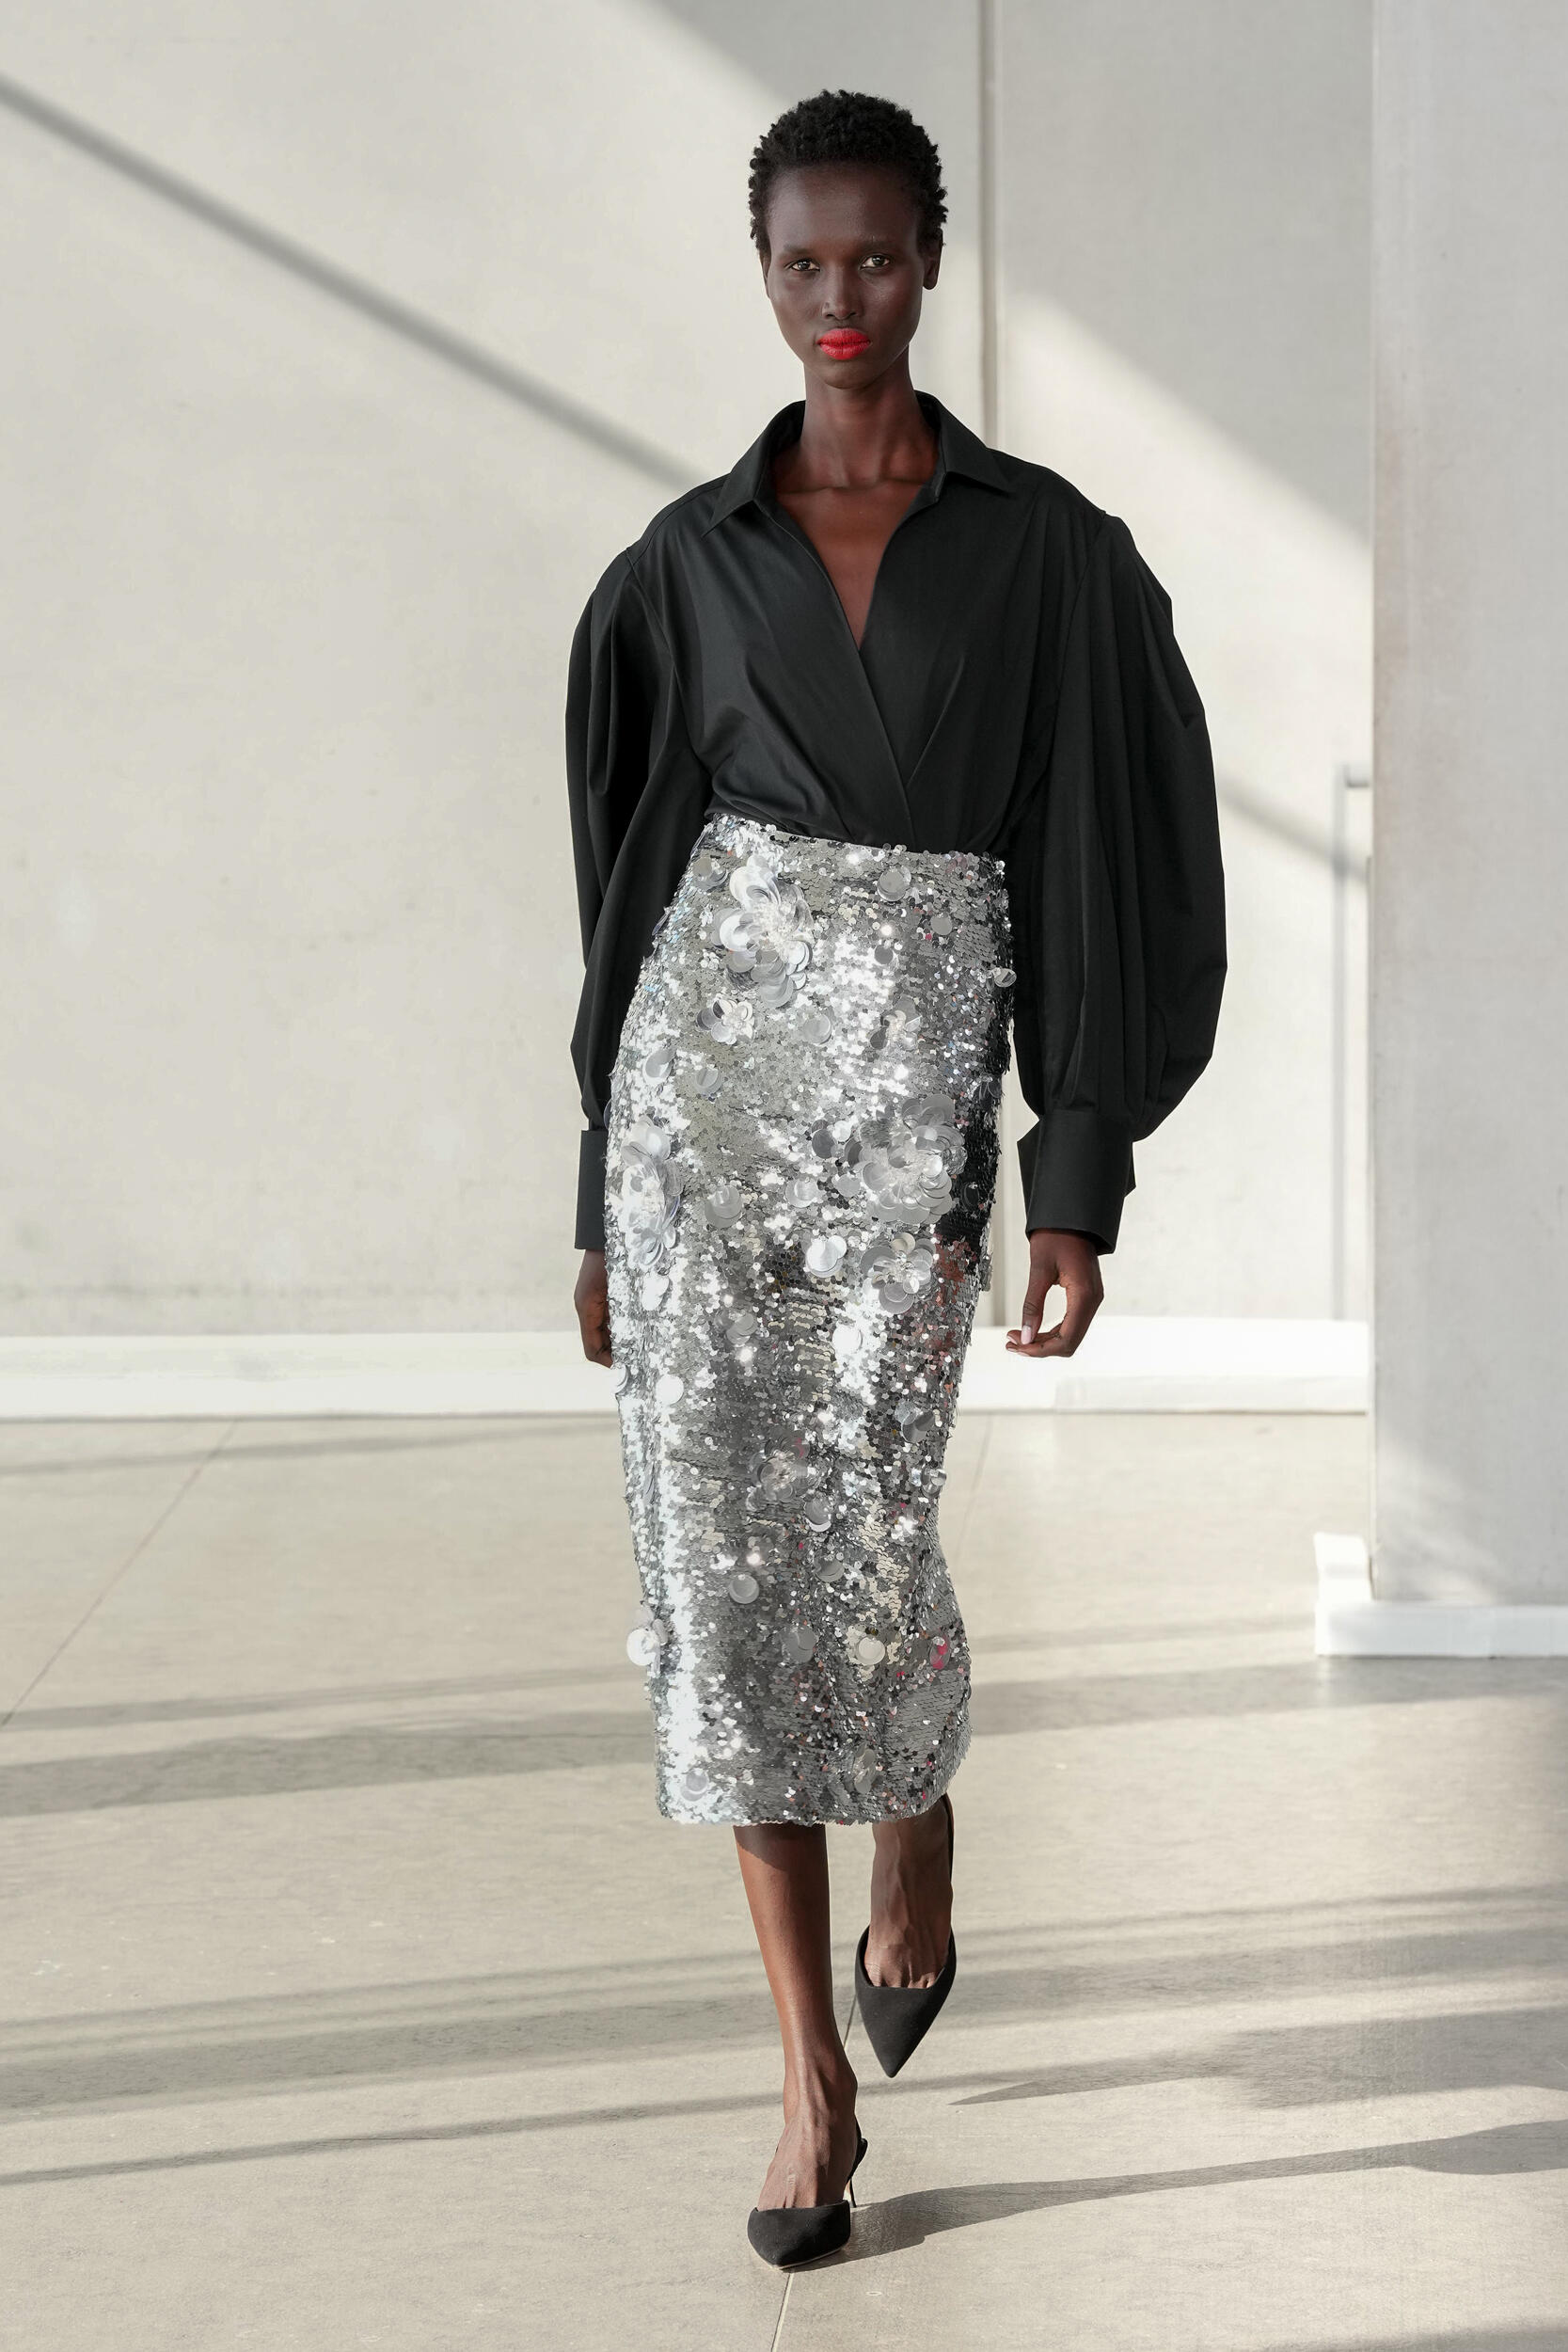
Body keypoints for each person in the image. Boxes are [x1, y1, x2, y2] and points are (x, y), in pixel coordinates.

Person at [566, 88, 1226, 2265]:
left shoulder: (1048, 556)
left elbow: (1101, 856)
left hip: (908, 1112)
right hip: (699, 1107)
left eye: (872, 256)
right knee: (714, 1570)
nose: (836, 298)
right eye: (800, 262)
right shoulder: (684, 565)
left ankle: (915, 1811)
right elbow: (630, 891)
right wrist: (597, 1195)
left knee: (858, 1544)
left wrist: (1073, 1172)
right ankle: (806, 2084)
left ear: (930, 261)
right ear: (762, 274)